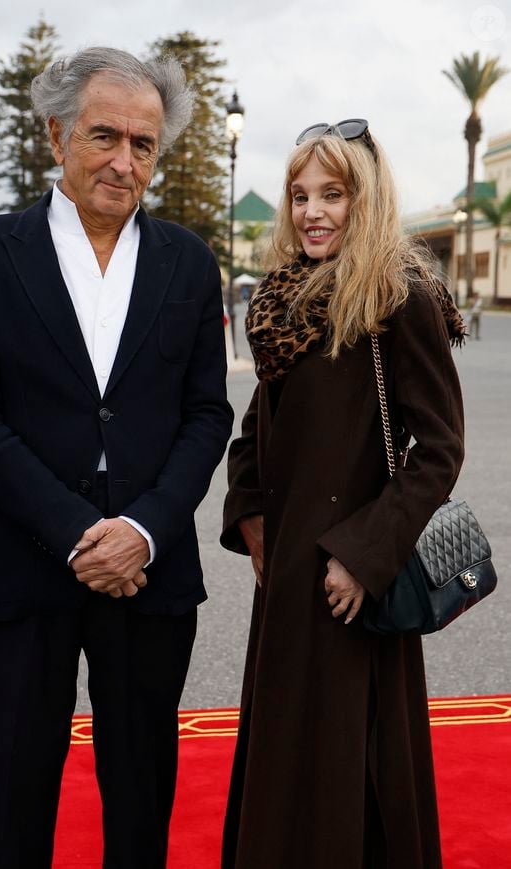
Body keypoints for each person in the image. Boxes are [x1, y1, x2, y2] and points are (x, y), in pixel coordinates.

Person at [0, 47, 233, 869]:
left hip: (152, 572)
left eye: (144, 144)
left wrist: (142, 527)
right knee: (16, 795)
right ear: (56, 134)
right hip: (26, 569)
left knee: (142, 799)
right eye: (105, 135)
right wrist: (78, 531)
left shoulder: (189, 260)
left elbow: (208, 413)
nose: (124, 160)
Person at [220, 119, 466, 868]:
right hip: (289, 571)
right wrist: (250, 509)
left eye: (333, 193)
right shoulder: (282, 301)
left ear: (368, 198)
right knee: (285, 750)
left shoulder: (400, 295)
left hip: (351, 582)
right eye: (300, 195)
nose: (312, 211)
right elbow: (261, 419)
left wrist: (362, 555)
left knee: (347, 763)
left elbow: (441, 448)